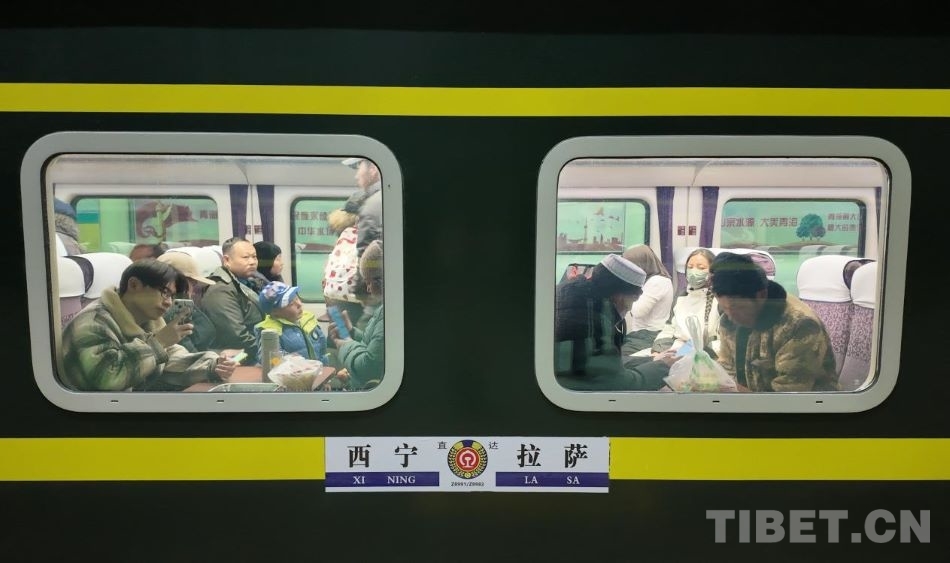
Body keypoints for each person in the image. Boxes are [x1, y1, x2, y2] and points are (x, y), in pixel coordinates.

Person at [60, 259, 237, 391]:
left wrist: (212, 366)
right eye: (164, 292)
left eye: (171, 296)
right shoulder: (93, 323)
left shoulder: (147, 319)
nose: (168, 303)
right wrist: (158, 343)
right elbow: (107, 377)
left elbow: (168, 358)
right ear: (134, 285)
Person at [710, 252, 838, 392]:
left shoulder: (800, 326)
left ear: (761, 295)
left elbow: (787, 396)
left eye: (738, 308)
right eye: (725, 308)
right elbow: (727, 366)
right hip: (746, 401)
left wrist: (728, 389)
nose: (731, 317)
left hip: (808, 404)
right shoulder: (729, 318)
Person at [554, 254, 677, 391]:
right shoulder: (592, 324)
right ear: (619, 297)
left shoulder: (572, 299)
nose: (629, 308)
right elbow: (620, 384)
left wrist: (651, 360)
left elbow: (603, 363)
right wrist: (664, 366)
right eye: (632, 301)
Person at [328, 239, 384, 390]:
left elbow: (368, 367)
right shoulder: (384, 308)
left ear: (381, 280)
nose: (368, 289)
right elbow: (374, 344)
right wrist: (352, 332)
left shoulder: (387, 315)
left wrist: (345, 345)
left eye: (369, 282)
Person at [201, 237, 265, 363]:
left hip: (257, 349)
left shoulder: (250, 282)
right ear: (227, 260)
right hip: (241, 359)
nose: (252, 262)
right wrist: (270, 348)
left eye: (254, 257)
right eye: (246, 257)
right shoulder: (221, 290)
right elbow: (237, 337)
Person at [651, 248, 721, 357]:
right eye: (690, 267)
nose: (694, 272)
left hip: (707, 357)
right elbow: (668, 329)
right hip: (677, 352)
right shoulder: (681, 297)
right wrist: (659, 351)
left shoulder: (721, 301)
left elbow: (725, 341)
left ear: (713, 272)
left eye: (701, 268)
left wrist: (696, 354)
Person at [157, 251, 219, 354]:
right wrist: (216, 358)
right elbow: (187, 351)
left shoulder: (185, 305)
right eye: (192, 284)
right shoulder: (168, 311)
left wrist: (220, 354)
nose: (193, 291)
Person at [254, 281, 330, 366]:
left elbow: (322, 349)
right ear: (275, 312)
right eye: (291, 304)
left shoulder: (308, 318)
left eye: (297, 298)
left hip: (318, 370)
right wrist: (289, 360)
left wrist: (326, 367)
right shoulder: (270, 331)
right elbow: (269, 359)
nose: (299, 304)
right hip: (292, 373)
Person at [322, 190, 369, 324]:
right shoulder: (368, 233)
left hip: (333, 299)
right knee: (360, 334)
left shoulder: (344, 233)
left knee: (339, 332)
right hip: (357, 298)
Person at [620, 244, 675, 354]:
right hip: (642, 335)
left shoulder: (657, 281)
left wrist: (626, 293)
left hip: (649, 335)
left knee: (617, 355)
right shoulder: (653, 280)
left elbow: (638, 312)